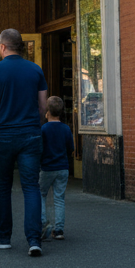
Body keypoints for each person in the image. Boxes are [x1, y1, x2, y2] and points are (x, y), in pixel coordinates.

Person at [0, 28, 49, 256]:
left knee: (2, 187)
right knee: (31, 187)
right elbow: (42, 106)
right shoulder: (35, 70)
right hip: (30, 134)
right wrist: (35, 127)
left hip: (4, 136)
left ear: (2, 47)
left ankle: (4, 237)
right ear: (21, 47)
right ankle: (34, 240)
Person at [38, 96, 74, 241]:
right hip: (62, 168)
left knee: (41, 194)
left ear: (47, 112)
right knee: (59, 198)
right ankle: (59, 230)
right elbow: (70, 147)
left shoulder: (43, 129)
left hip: (47, 167)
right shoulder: (66, 129)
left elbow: (39, 148)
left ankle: (43, 223)